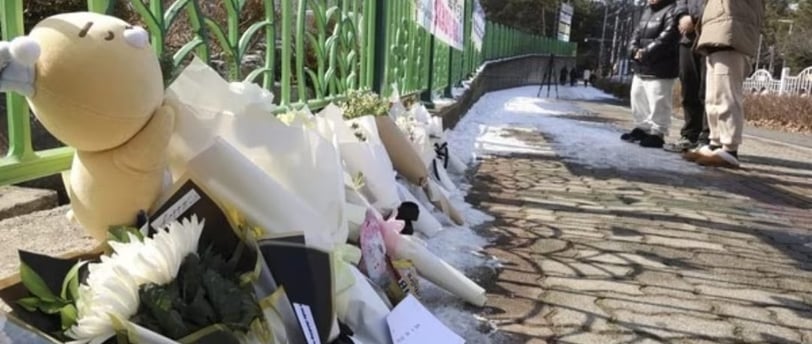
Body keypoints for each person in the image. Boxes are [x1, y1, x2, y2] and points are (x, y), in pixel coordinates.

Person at [683, 0, 764, 168]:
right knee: (714, 96)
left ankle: (729, 148)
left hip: (731, 27)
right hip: (715, 29)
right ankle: (715, 142)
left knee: (726, 93)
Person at [620, 0, 681, 148]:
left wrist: (647, 51)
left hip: (661, 66)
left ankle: (657, 132)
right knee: (637, 96)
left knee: (658, 100)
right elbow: (636, 33)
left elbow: (668, 37)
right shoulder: (647, 11)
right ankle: (643, 127)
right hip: (641, 66)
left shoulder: (672, 9)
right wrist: (633, 49)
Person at [663, 0, 710, 153]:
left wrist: (695, 18)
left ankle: (707, 138)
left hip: (711, 34)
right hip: (688, 38)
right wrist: (682, 15)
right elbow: (681, 3)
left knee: (708, 90)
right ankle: (690, 135)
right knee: (689, 88)